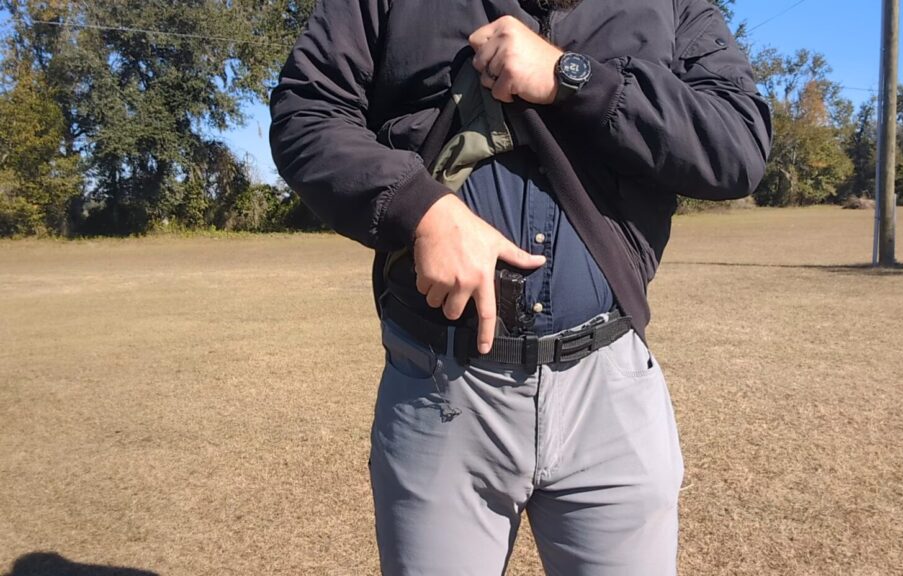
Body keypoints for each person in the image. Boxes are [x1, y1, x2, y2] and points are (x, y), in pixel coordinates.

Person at [269, 0, 771, 573]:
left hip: (610, 386)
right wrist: (421, 210)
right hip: (441, 386)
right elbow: (306, 113)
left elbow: (739, 144)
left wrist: (572, 78)